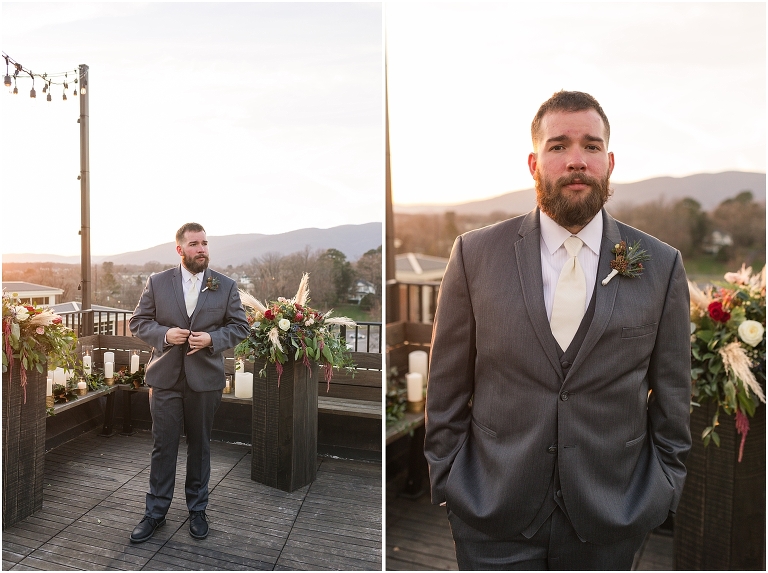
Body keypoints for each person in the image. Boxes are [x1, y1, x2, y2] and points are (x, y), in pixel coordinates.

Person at [424, 91, 692, 570]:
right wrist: (449, 480)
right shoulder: (474, 255)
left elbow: (673, 397)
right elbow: (446, 385)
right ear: (534, 162)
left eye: (591, 147)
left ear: (609, 162)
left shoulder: (662, 264)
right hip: (492, 517)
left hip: (610, 519)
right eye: (558, 146)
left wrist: (661, 490)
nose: (576, 160)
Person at [129, 222, 249, 543]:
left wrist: (211, 338)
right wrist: (165, 335)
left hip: (205, 380)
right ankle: (155, 514)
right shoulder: (157, 282)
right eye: (195, 244)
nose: (202, 249)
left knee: (200, 446)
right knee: (163, 447)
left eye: (205, 243)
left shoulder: (225, 285)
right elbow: (138, 322)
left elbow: (240, 327)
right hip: (165, 379)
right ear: (180, 249)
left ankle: (197, 510)